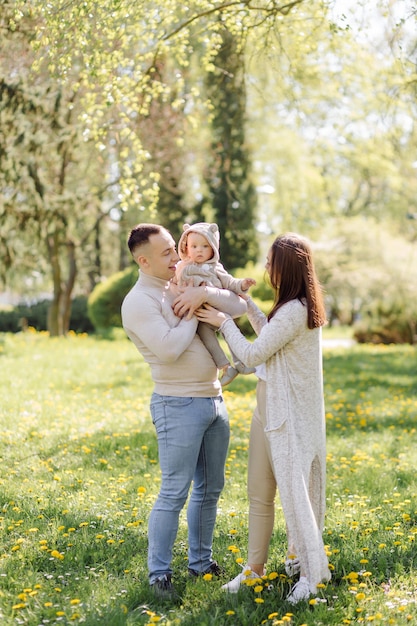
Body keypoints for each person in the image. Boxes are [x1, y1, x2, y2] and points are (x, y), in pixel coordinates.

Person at [195, 232, 331, 604]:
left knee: (295, 498)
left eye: (271, 262)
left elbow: (255, 355)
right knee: (260, 496)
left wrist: (224, 323)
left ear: (286, 267)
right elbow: (269, 335)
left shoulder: (295, 310)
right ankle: (254, 570)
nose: (267, 267)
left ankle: (310, 574)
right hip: (265, 415)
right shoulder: (287, 309)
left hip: (287, 420)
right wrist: (247, 304)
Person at [120, 223, 247, 602]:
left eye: (176, 249)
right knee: (174, 492)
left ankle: (201, 562)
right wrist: (195, 308)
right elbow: (171, 349)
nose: (177, 257)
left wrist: (204, 292)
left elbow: (238, 304)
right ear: (143, 260)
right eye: (166, 254)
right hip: (177, 404)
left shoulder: (183, 280)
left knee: (210, 489)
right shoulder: (139, 301)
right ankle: (159, 575)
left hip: (213, 401)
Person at [176, 222, 256, 386]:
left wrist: (242, 284)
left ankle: (241, 362)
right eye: (194, 246)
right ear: (185, 247)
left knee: (229, 330)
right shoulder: (184, 267)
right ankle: (226, 367)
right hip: (200, 316)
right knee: (207, 337)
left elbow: (229, 282)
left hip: (218, 309)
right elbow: (178, 284)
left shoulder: (215, 267)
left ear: (213, 248)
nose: (199, 250)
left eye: (205, 246)